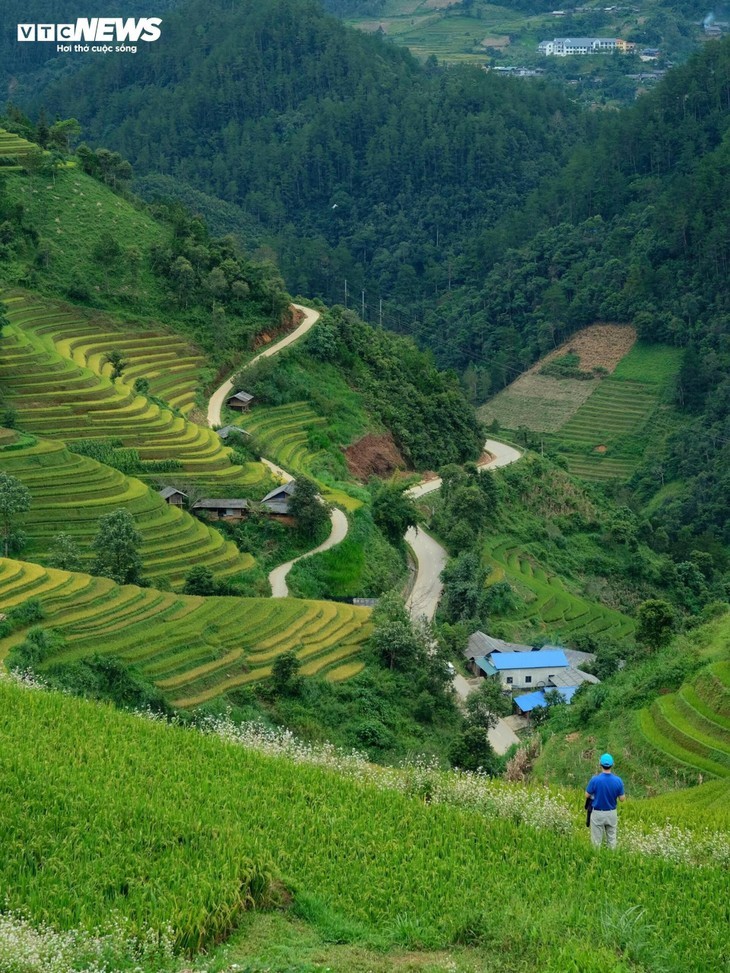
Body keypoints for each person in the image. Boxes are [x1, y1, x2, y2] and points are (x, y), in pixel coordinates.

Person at [585, 753, 625, 849]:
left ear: (600, 764)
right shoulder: (618, 780)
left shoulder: (595, 780)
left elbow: (586, 795)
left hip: (598, 813)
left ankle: (596, 860)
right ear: (612, 764)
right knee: (612, 840)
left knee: (596, 842)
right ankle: (612, 860)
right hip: (611, 813)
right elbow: (622, 799)